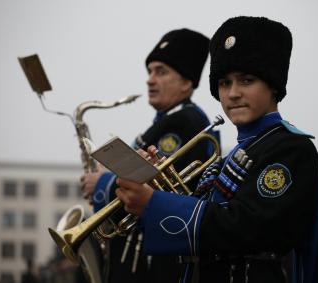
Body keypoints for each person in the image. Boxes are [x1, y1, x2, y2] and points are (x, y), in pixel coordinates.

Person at [115, 16, 318, 283]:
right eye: (225, 83)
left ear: (273, 84)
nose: (233, 93)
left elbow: (249, 226)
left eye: (247, 80)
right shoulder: (229, 159)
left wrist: (155, 204)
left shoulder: (292, 149)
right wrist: (157, 188)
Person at [80, 28, 219, 283]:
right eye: (150, 71)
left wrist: (102, 184)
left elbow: (159, 189)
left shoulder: (185, 122)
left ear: (187, 82)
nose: (150, 79)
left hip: (156, 265)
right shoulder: (169, 120)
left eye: (161, 72)